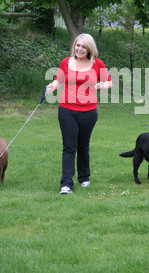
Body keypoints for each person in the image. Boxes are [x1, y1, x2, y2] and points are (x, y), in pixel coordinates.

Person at [46, 33, 112, 194]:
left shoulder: (97, 64)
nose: (80, 49)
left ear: (89, 49)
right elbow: (58, 80)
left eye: (84, 46)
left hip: (88, 112)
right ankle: (66, 184)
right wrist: (52, 86)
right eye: (78, 45)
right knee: (69, 146)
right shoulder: (65, 62)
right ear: (74, 46)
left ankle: (84, 177)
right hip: (67, 110)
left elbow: (109, 81)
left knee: (83, 146)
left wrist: (100, 86)